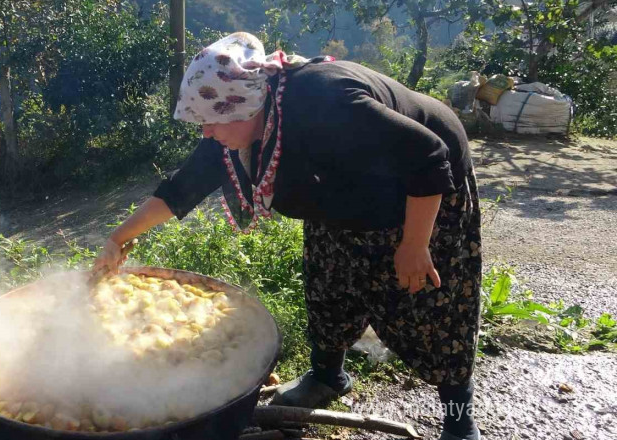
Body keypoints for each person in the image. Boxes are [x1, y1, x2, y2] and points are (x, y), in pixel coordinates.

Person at [93, 32, 482, 440]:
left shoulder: (326, 102)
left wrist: (415, 244)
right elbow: (180, 190)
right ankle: (327, 376)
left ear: (243, 107)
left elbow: (428, 155)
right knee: (330, 285)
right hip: (345, 191)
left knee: (432, 308)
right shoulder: (235, 124)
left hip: (423, 186)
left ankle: (459, 418)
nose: (206, 132)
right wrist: (117, 238)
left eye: (210, 121)